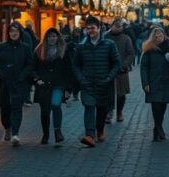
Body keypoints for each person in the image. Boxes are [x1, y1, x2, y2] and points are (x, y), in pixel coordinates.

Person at [73, 15, 121, 147]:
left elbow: (116, 63)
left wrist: (109, 78)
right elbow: (76, 64)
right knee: (89, 107)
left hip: (103, 84)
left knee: (101, 110)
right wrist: (81, 79)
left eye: (93, 28)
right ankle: (89, 135)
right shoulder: (82, 46)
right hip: (87, 83)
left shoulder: (109, 44)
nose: (90, 31)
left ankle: (99, 130)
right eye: (88, 29)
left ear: (99, 28)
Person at [0, 21, 34, 147]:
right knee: (5, 108)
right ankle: (7, 127)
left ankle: (15, 133)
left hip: (19, 82)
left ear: (20, 33)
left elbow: (30, 64)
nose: (13, 33)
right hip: (5, 82)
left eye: (15, 31)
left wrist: (23, 75)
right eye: (11, 31)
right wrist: (0, 74)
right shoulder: (1, 47)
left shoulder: (25, 48)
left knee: (17, 107)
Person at [34, 27, 73, 145]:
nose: (52, 38)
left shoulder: (63, 50)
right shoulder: (39, 50)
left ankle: (57, 132)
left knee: (56, 105)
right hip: (43, 85)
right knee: (45, 111)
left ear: (58, 37)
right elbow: (33, 67)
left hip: (58, 84)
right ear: (46, 38)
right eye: (50, 36)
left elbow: (68, 69)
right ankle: (45, 134)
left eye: (54, 36)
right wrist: (36, 79)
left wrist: (68, 89)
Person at [140, 26, 169, 141]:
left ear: (164, 36)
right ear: (152, 37)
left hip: (166, 81)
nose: (158, 37)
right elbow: (143, 67)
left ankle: (157, 128)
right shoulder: (149, 50)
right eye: (156, 35)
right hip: (153, 81)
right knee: (156, 106)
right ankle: (158, 128)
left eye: (160, 35)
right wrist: (145, 83)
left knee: (163, 106)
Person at [107, 18, 136, 122]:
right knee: (108, 93)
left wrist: (124, 65)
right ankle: (109, 112)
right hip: (108, 69)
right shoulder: (106, 37)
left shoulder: (126, 38)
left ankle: (119, 112)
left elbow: (131, 53)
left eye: (120, 26)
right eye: (116, 25)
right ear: (112, 26)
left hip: (121, 70)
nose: (118, 27)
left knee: (121, 94)